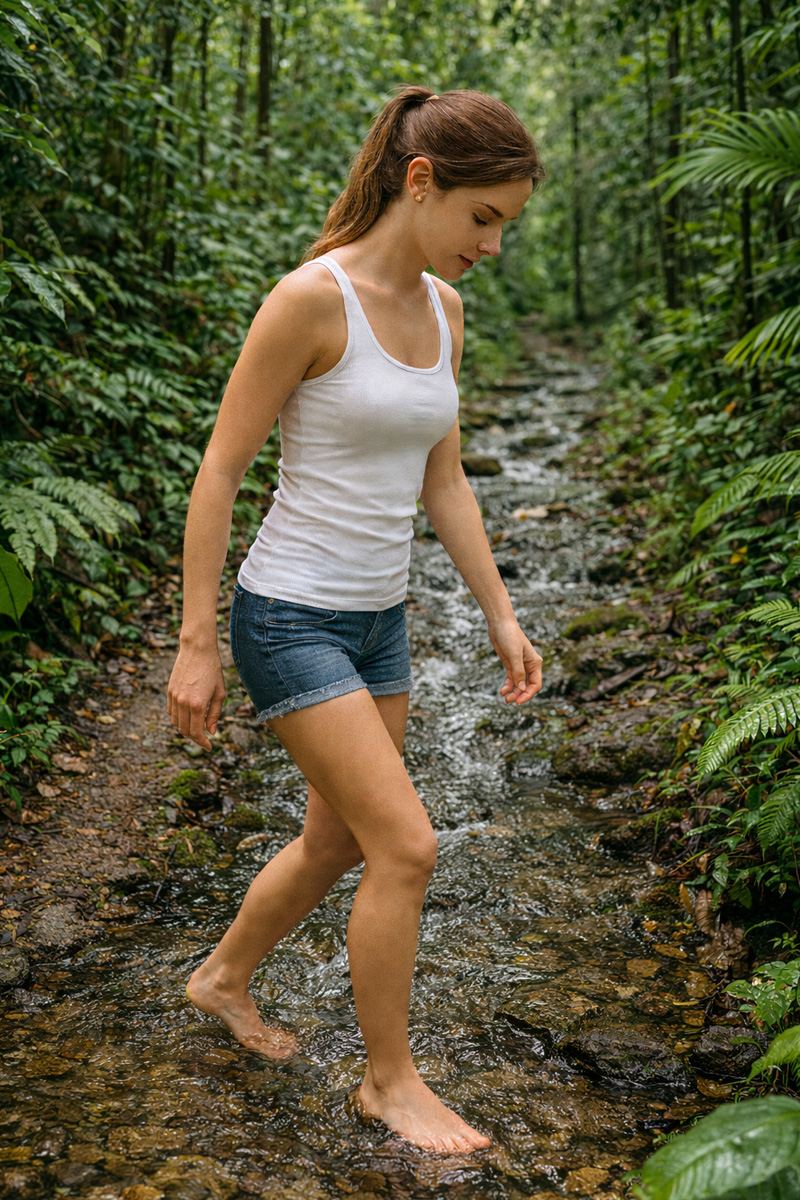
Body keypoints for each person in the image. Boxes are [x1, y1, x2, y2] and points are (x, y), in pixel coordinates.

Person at [168, 84, 545, 1155]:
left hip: (379, 620)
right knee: (406, 846)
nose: (492, 245)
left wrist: (501, 618)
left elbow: (446, 485)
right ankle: (390, 1082)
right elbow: (221, 468)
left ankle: (221, 977)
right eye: (484, 219)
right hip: (288, 615)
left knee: (336, 839)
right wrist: (197, 641)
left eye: (504, 227)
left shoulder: (446, 312)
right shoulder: (309, 300)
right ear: (420, 182)